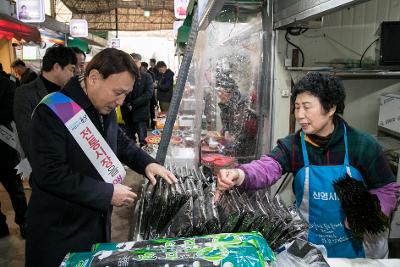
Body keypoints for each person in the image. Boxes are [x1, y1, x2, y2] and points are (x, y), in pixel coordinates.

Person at [216, 72, 400, 259]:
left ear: (330, 109)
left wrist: (373, 210)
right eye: (296, 108)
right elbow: (267, 167)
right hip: (310, 246)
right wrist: (240, 174)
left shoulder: (362, 145)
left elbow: (386, 188)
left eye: (306, 107)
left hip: (361, 249)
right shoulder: (293, 146)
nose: (299, 115)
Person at [25, 48, 177, 267]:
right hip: (61, 230)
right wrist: (106, 193)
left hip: (96, 225)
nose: (121, 101)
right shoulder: (54, 110)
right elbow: (50, 173)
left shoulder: (102, 107)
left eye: (126, 94)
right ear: (94, 78)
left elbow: (121, 142)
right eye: (118, 92)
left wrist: (148, 163)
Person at [14, 45, 77, 160]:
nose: (72, 75)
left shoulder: (67, 93)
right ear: (57, 67)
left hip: (70, 164)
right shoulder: (25, 93)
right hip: (44, 167)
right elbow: (28, 138)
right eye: (71, 69)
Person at [0, 75, 28, 238]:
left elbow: (9, 112)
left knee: (15, 188)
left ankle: (25, 223)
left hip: (5, 146)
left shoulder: (7, 83)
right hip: (5, 147)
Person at [216, 73, 257, 162]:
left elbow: (248, 130)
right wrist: (226, 130)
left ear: (228, 92)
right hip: (233, 147)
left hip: (245, 151)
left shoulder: (243, 103)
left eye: (220, 91)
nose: (219, 95)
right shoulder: (225, 104)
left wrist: (233, 139)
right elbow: (226, 121)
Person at [121, 53, 153, 146]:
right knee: (129, 139)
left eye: (135, 61)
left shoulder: (147, 76)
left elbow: (148, 94)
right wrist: (126, 104)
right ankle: (131, 158)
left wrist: (133, 104)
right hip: (127, 112)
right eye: (131, 61)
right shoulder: (124, 76)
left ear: (140, 62)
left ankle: (144, 158)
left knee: (143, 140)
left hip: (140, 112)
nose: (133, 64)